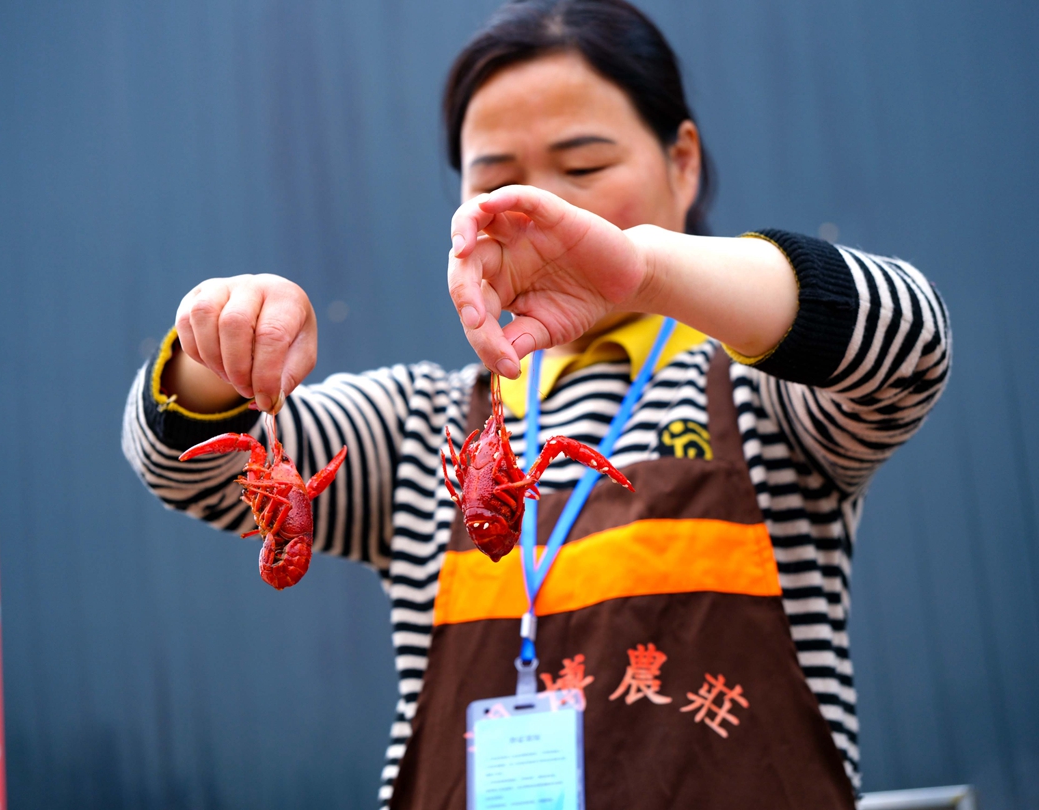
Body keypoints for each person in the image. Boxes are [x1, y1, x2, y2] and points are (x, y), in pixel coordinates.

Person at [122, 0, 950, 807]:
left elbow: (909, 341)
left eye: (584, 168)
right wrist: (222, 348)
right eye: (496, 181)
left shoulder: (771, 393)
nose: (544, 208)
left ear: (683, 161)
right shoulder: (421, 423)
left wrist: (648, 268)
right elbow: (181, 467)